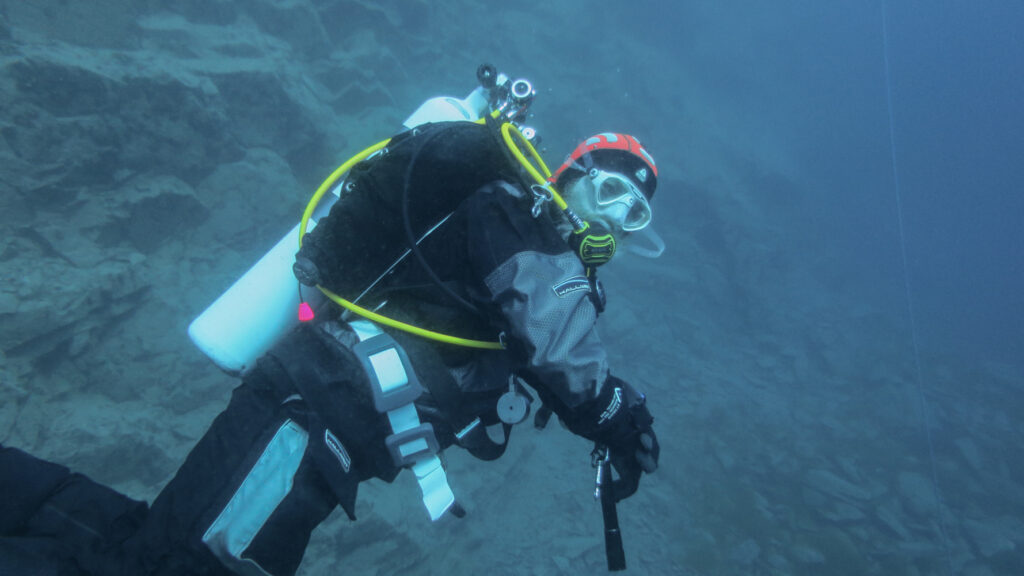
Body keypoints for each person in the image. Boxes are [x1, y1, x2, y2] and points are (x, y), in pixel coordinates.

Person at [0, 118, 660, 575]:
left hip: (320, 418)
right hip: (313, 413)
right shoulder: (518, 214)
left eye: (633, 212)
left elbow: (538, 343)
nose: (614, 218)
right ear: (569, 175)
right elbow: (558, 348)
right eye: (608, 191)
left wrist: (609, 415)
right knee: (188, 567)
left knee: (154, 552)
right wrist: (618, 416)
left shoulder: (530, 244)